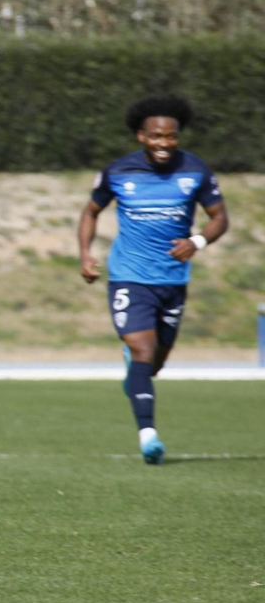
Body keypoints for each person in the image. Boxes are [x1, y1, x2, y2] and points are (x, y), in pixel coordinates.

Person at [77, 94, 227, 465]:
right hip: (129, 276)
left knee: (154, 364)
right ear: (140, 137)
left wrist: (197, 241)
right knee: (143, 351)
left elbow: (220, 218)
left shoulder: (196, 171)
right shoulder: (118, 172)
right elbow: (91, 211)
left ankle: (137, 375)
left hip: (173, 280)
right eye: (156, 136)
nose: (164, 143)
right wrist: (85, 253)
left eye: (171, 137)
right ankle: (148, 437)